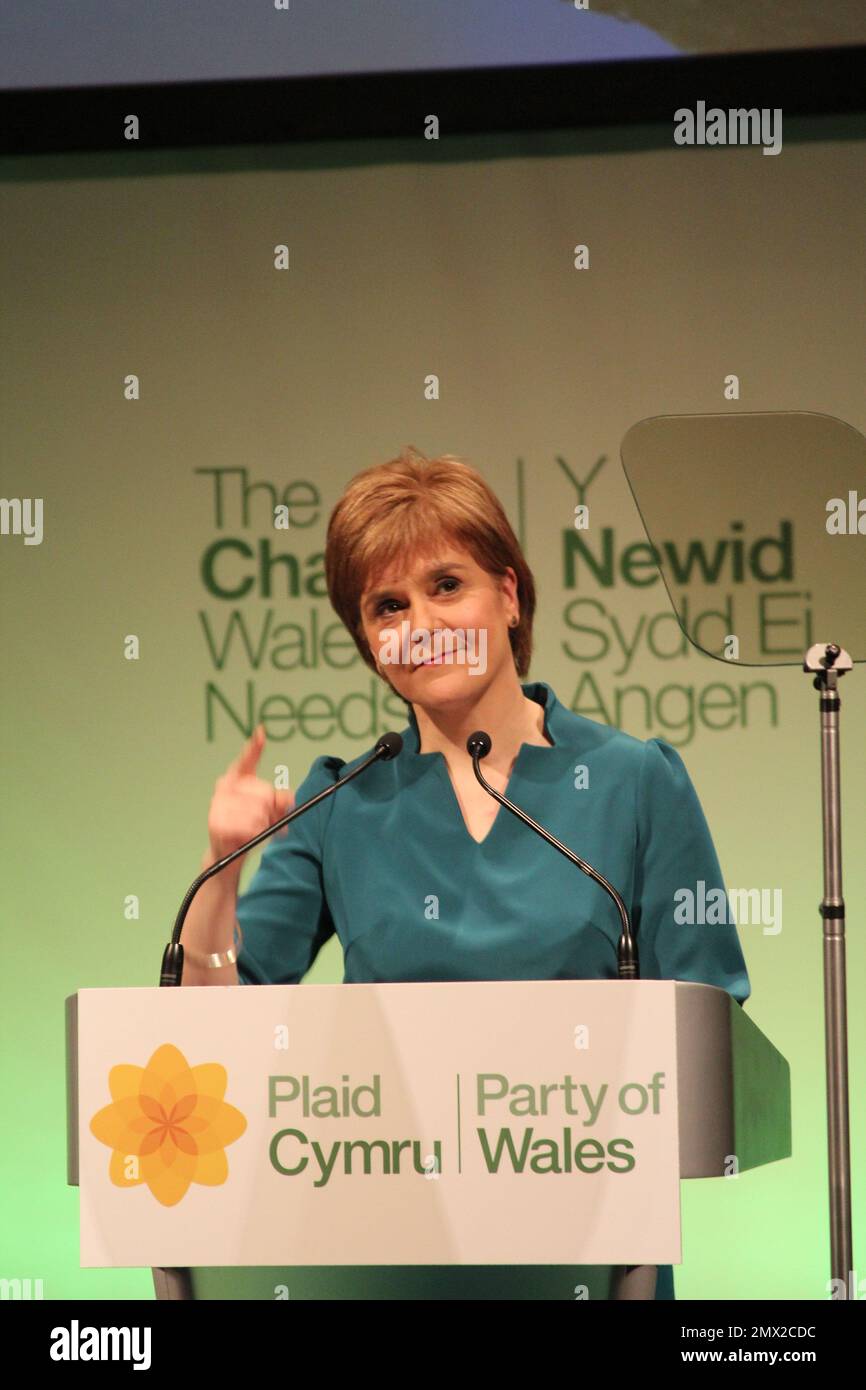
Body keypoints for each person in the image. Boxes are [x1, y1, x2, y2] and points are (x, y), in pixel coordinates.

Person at [180, 445, 751, 1301]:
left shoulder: (636, 782)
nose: (422, 622)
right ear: (370, 642)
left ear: (510, 593)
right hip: (377, 1251)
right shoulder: (339, 802)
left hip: (590, 1258)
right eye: (388, 605)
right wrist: (219, 871)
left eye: (448, 585)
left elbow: (710, 1024)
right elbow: (211, 1033)